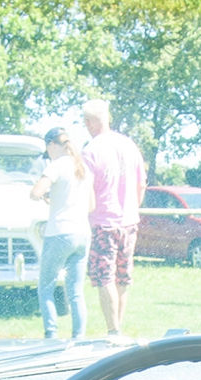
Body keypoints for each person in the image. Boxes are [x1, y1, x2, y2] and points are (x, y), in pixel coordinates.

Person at [80, 99, 147, 337]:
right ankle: (117, 326)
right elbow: (141, 185)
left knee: (104, 276)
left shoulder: (90, 151)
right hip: (129, 221)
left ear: (89, 122)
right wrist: (131, 208)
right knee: (123, 276)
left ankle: (113, 330)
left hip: (103, 223)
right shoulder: (129, 145)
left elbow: (85, 189)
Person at [29, 126, 91, 339]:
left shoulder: (56, 166)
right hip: (82, 233)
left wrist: (44, 196)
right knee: (75, 292)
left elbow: (35, 192)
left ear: (52, 145)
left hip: (59, 232)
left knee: (46, 286)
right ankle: (78, 337)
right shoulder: (81, 167)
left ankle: (51, 334)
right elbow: (90, 205)